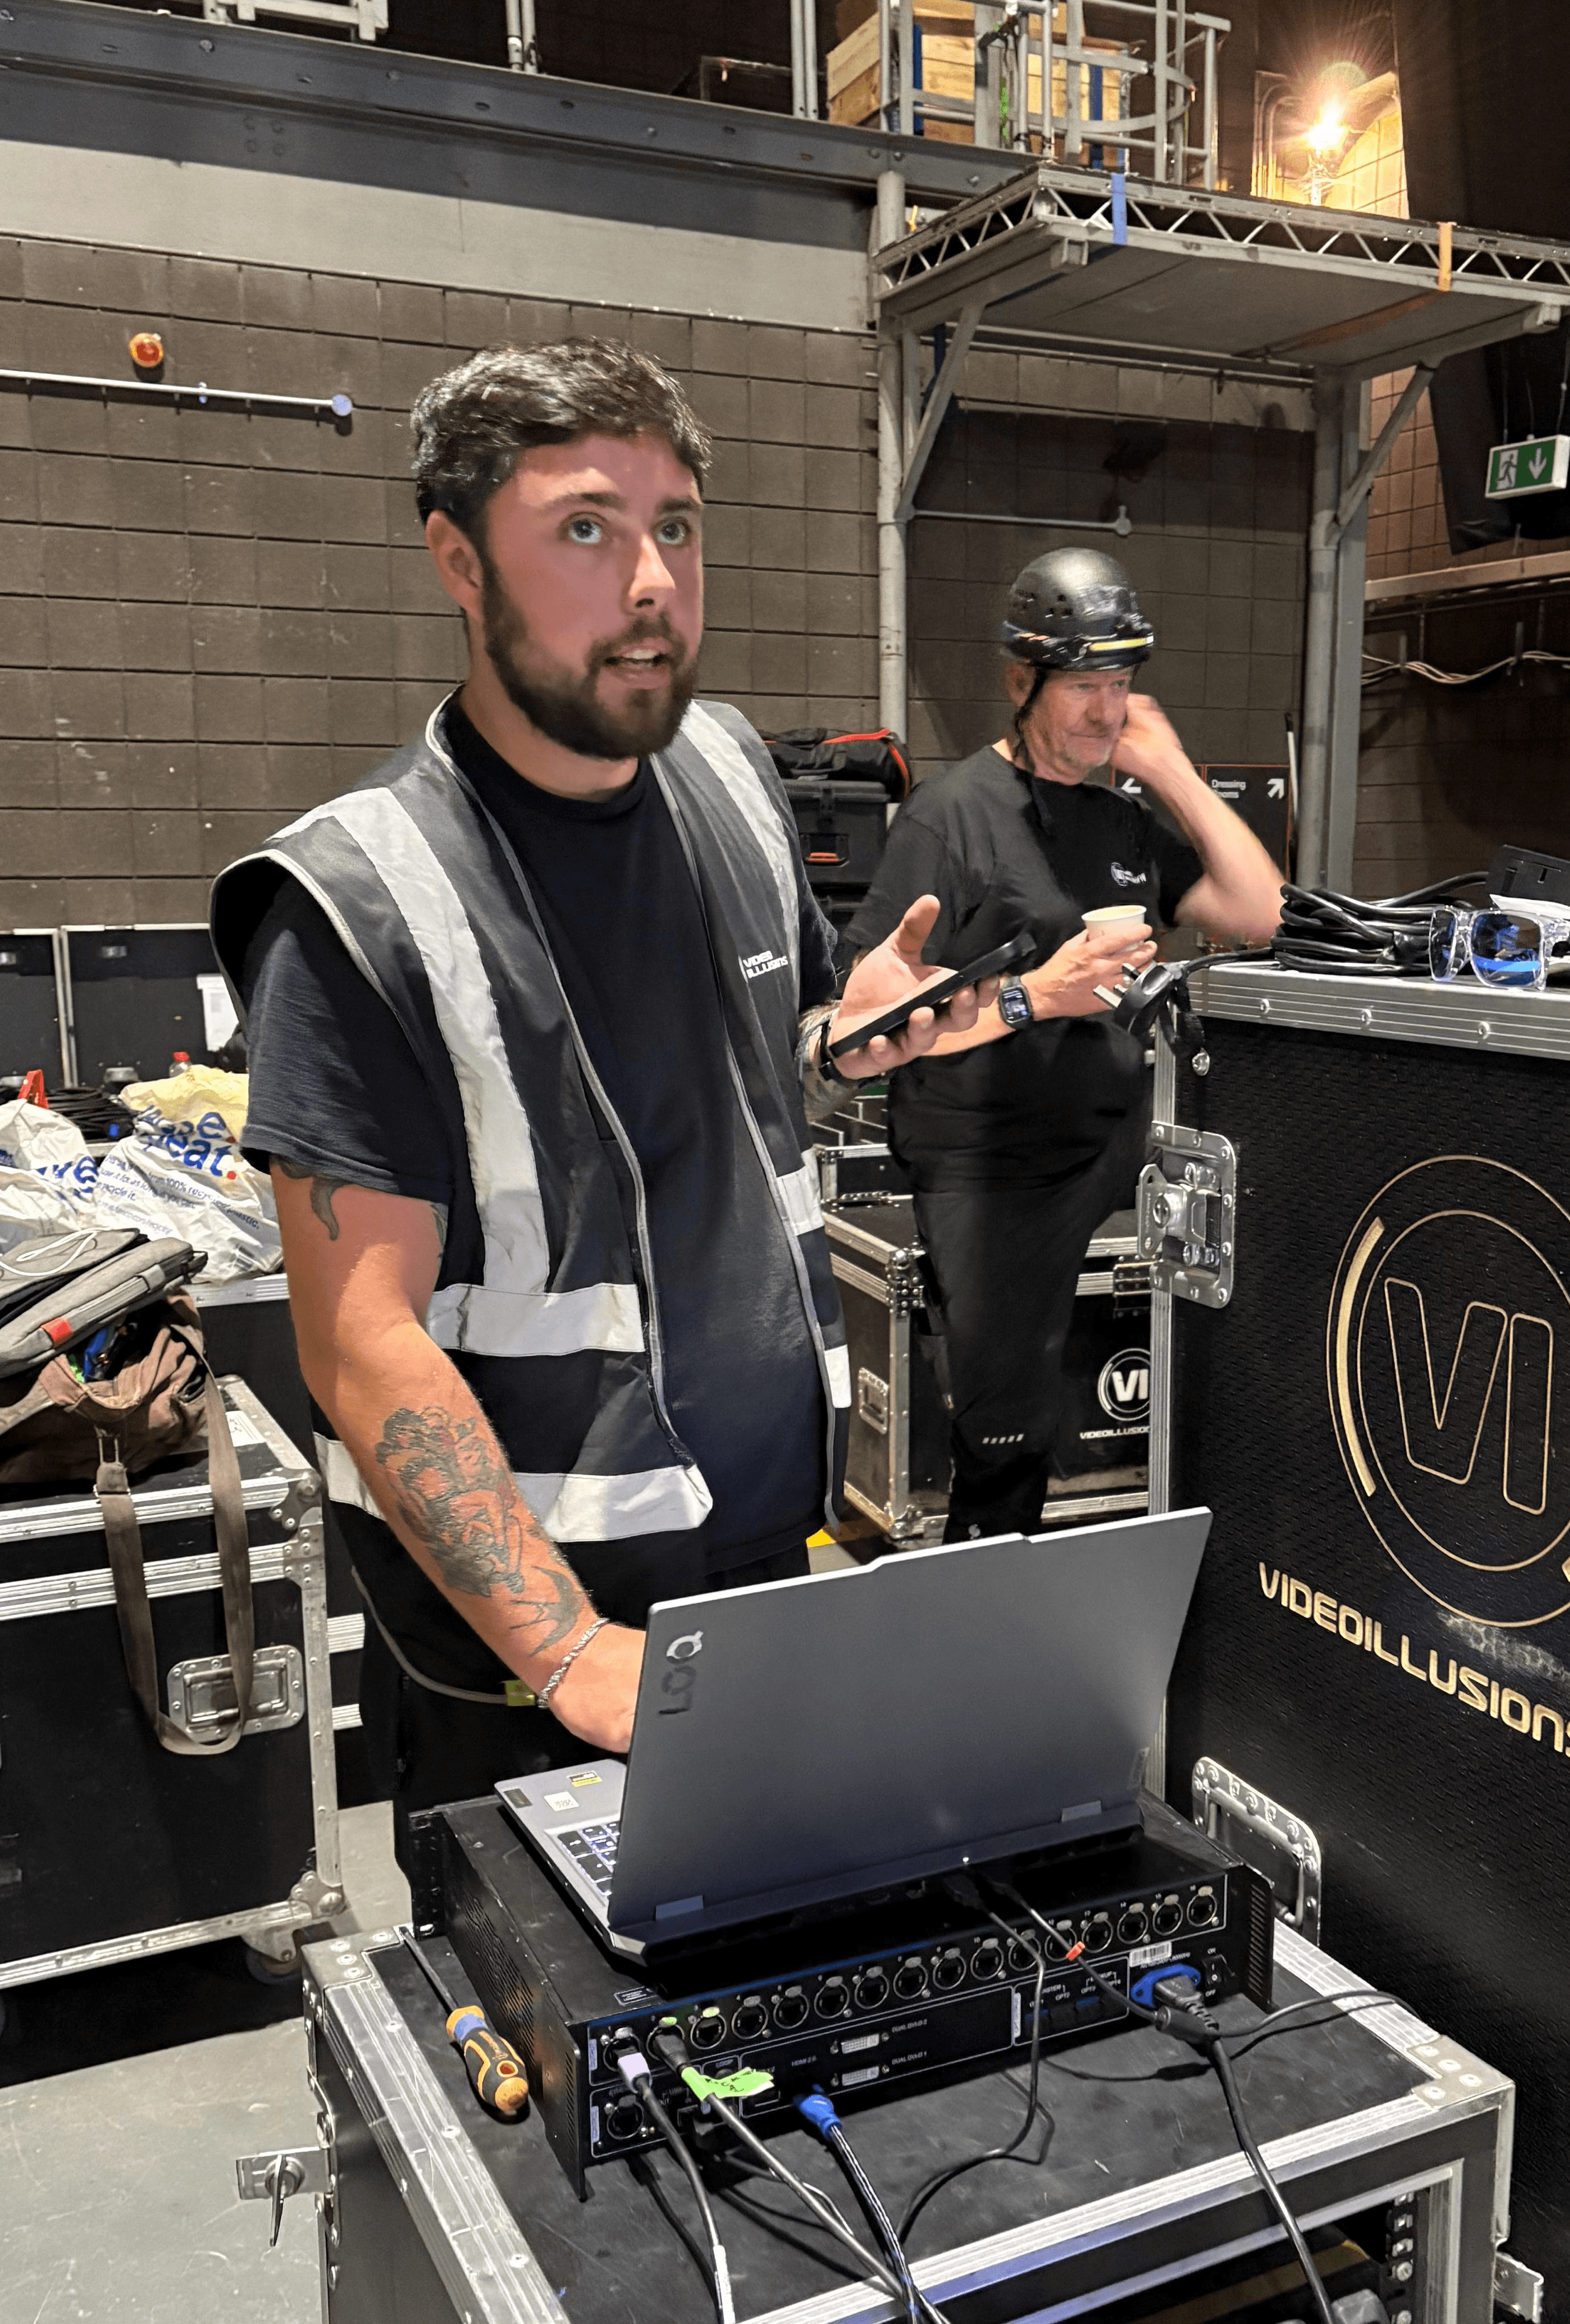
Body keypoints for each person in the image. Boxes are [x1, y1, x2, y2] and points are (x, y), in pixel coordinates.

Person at [208, 339, 991, 1865]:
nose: (651, 581)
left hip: (770, 1548)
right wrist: (565, 1646)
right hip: (539, 1636)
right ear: (457, 558)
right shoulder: (359, 902)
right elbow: (357, 1340)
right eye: (586, 528)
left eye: (676, 526)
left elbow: (764, 1070)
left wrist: (855, 1037)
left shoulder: (723, 769)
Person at [844, 547, 1284, 1544]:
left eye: (1121, 686)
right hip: (990, 1163)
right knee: (1006, 1439)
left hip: (1117, 1144)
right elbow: (867, 1022)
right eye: (1084, 686)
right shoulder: (950, 819)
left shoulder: (1120, 817)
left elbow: (1257, 911)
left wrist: (1168, 768)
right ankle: (979, 1642)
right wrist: (1036, 997)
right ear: (1020, 683)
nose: (1104, 712)